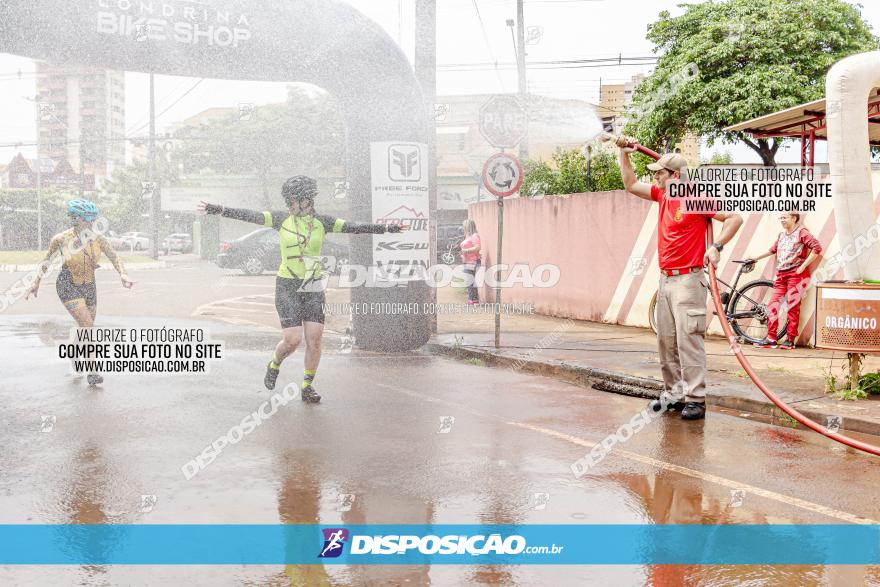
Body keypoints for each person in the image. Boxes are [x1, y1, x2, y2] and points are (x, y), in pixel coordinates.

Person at [198, 175, 405, 403]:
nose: (289, 205)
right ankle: (274, 364)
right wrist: (218, 209)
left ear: (307, 201)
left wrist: (388, 229)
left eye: (293, 201)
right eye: (288, 201)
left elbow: (354, 227)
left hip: (313, 285)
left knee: (315, 339)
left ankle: (307, 386)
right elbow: (249, 215)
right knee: (292, 340)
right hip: (287, 284)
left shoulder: (323, 223)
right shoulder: (279, 220)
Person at [618, 147, 743, 420]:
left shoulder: (697, 198)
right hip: (665, 279)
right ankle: (673, 395)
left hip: (689, 279)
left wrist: (717, 246)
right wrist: (623, 152)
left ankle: (696, 398)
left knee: (688, 341)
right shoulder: (663, 196)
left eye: (660, 174)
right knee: (666, 341)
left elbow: (734, 218)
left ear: (675, 175)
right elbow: (629, 184)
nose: (656, 178)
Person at [26, 199, 135, 386]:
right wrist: (36, 282)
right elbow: (46, 261)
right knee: (87, 325)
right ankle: (92, 371)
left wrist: (123, 275)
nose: (91, 223)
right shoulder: (61, 239)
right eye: (87, 219)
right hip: (68, 284)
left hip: (89, 285)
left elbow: (114, 256)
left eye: (93, 218)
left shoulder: (98, 238)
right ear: (75, 219)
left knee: (86, 327)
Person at [747, 213, 822, 350]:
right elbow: (772, 250)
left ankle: (790, 340)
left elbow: (817, 248)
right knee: (772, 305)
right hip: (781, 274)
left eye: (785, 217)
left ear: (794, 218)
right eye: (780, 217)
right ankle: (771, 339)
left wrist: (803, 266)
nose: (782, 220)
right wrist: (756, 257)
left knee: (793, 308)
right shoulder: (781, 235)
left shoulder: (802, 232)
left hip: (796, 274)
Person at [459, 219, 481, 304]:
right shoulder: (469, 236)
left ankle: (473, 300)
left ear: (468, 226)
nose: (463, 227)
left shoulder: (475, 236)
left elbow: (478, 247)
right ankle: (473, 299)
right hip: (468, 261)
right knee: (470, 281)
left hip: (472, 261)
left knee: (470, 280)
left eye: (464, 226)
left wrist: (466, 251)